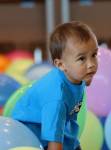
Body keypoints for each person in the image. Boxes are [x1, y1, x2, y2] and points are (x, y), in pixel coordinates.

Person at [11, 21, 99, 150]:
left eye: (94, 55)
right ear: (61, 65)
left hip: (60, 123)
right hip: (33, 131)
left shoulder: (76, 75)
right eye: (82, 58)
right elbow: (53, 140)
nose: (91, 64)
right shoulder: (56, 99)